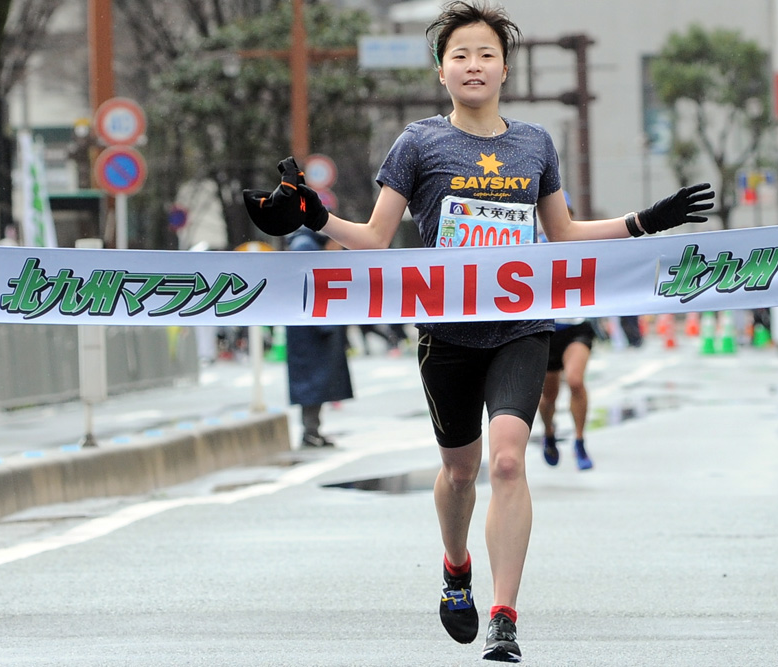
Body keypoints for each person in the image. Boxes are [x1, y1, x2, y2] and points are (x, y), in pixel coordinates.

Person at [242, 2, 714, 660]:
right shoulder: (418, 144)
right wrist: (313, 216)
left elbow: (563, 234)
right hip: (448, 335)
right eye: (460, 55)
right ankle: (456, 567)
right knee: (460, 472)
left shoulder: (535, 144)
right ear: (441, 71)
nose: (473, 65)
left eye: (486, 54)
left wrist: (646, 221)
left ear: (505, 69)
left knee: (509, 460)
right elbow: (375, 238)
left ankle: (504, 616)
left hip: (521, 327)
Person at [285, 228, 354, 448]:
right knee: (312, 384)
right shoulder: (305, 246)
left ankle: (313, 431)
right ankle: (310, 432)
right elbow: (307, 288)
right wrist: (326, 325)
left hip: (312, 329)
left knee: (317, 383)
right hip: (310, 332)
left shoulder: (306, 243)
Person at [537, 318, 597, 470]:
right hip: (545, 328)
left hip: (577, 327)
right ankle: (549, 432)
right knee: (549, 396)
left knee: (575, 381)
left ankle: (579, 442)